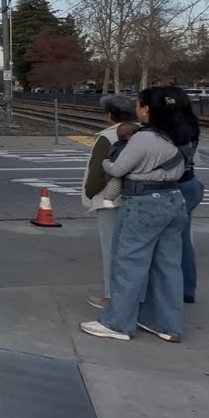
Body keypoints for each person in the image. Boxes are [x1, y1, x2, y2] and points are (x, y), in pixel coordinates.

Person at [81, 86, 188, 342]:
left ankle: (117, 323)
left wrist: (108, 164)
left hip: (143, 203)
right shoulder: (178, 133)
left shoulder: (143, 137)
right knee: (168, 266)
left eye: (140, 104)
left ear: (147, 109)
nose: (137, 109)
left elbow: (118, 168)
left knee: (128, 263)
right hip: (173, 200)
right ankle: (167, 324)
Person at [80, 95, 140, 310]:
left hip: (109, 200)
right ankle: (138, 295)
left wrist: (88, 196)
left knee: (111, 249)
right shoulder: (146, 133)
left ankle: (110, 295)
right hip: (139, 198)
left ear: (109, 116)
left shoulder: (108, 137)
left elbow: (97, 172)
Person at [167, 87, 204, 304]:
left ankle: (168, 290)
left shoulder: (168, 129)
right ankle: (186, 289)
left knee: (165, 242)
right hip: (190, 183)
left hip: (173, 186)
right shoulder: (191, 124)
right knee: (183, 240)